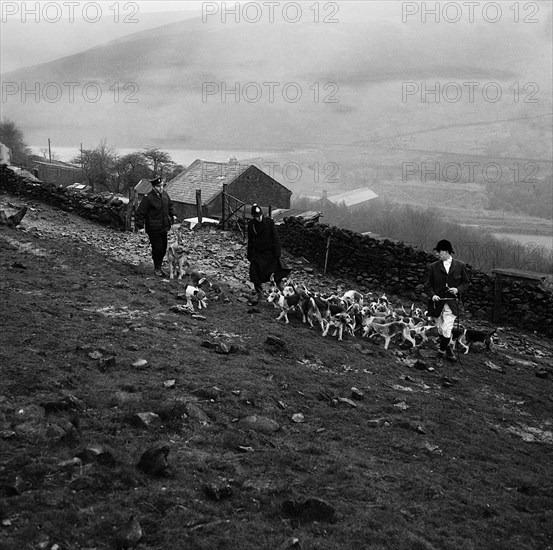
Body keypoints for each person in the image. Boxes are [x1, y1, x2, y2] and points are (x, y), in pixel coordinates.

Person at [427, 239, 470, 361]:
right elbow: (428, 285)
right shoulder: (433, 267)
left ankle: (440, 355)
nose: (437, 254)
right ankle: (448, 349)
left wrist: (457, 289)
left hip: (452, 304)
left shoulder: (460, 266)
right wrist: (432, 295)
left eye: (439, 252)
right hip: (436, 304)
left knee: (447, 329)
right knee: (440, 329)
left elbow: (466, 283)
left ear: (446, 252)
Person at [247, 203, 290, 304]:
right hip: (258, 254)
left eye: (259, 216)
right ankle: (260, 295)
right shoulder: (251, 225)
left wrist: (277, 252)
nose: (258, 218)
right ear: (253, 216)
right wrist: (250, 255)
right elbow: (250, 241)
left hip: (270, 254)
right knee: (254, 274)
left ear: (262, 214)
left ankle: (285, 296)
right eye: (256, 217)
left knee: (277, 276)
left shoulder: (269, 223)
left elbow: (276, 238)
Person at [135, 177, 177, 277]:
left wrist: (173, 214)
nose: (161, 188)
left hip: (164, 226)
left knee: (163, 248)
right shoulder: (148, 198)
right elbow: (140, 213)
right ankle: (157, 268)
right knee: (157, 248)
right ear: (154, 187)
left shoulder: (165, 195)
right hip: (153, 228)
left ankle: (159, 265)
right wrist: (140, 226)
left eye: (162, 185)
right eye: (158, 186)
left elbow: (170, 205)